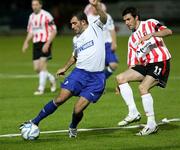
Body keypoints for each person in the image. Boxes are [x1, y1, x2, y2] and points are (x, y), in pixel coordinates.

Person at [20, 0, 107, 138]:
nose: (72, 26)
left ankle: (73, 127)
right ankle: (34, 121)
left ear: (83, 22)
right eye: (71, 24)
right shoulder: (76, 39)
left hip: (96, 78)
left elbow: (104, 17)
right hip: (79, 73)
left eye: (74, 23)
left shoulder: (95, 27)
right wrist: (64, 68)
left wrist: (96, 5)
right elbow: (75, 56)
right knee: (60, 99)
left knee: (78, 109)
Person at [116, 7, 172, 136]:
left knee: (143, 88)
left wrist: (151, 34)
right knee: (120, 78)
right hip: (147, 65)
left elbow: (168, 32)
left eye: (129, 19)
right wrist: (121, 85)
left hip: (160, 61)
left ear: (136, 17)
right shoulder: (132, 40)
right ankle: (133, 112)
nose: (126, 23)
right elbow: (132, 65)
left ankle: (151, 125)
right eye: (124, 20)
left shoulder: (150, 23)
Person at [22, 0, 57, 95]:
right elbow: (31, 31)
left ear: (40, 5)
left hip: (45, 42)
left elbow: (54, 31)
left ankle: (40, 89)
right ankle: (51, 78)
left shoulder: (47, 15)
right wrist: (26, 42)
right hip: (36, 43)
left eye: (36, 4)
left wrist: (48, 43)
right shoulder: (31, 16)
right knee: (37, 68)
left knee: (42, 66)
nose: (34, 6)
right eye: (33, 4)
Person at [84, 2, 118, 80]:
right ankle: (98, 84)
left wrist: (114, 43)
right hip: (95, 46)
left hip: (107, 44)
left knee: (113, 65)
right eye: (93, 7)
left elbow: (112, 29)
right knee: (97, 67)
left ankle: (100, 80)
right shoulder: (88, 18)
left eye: (96, 7)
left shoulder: (107, 17)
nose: (94, 8)